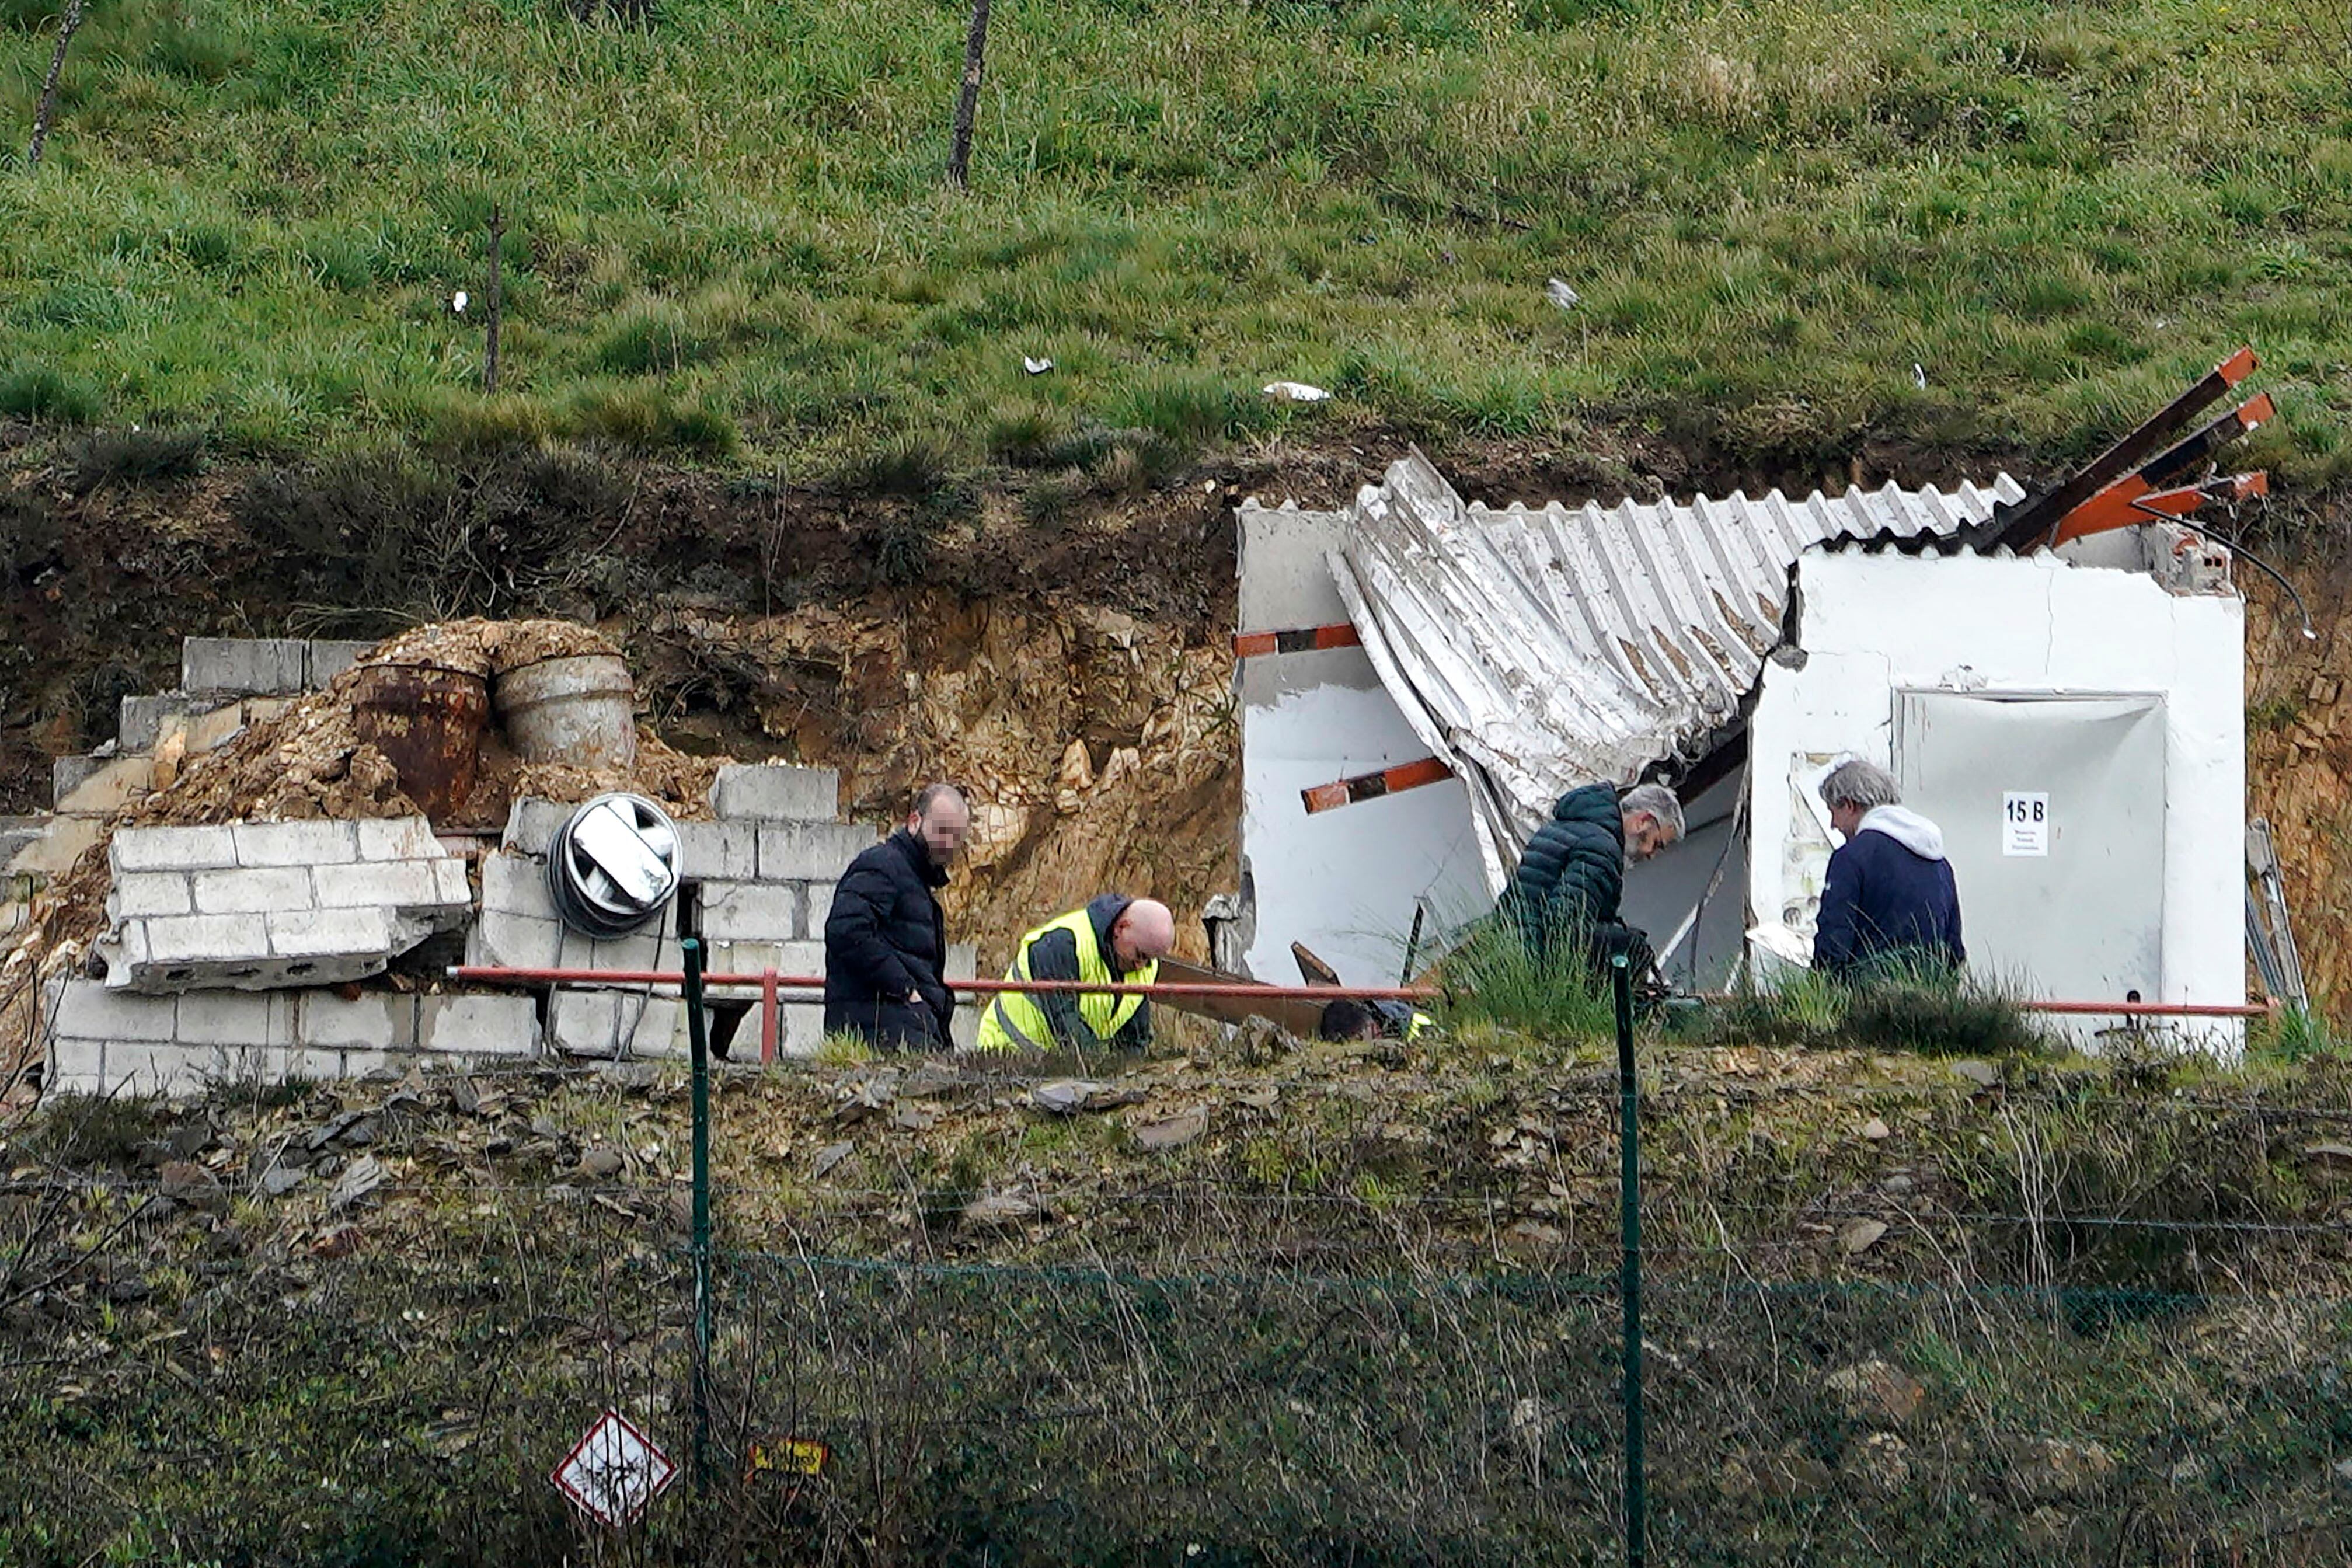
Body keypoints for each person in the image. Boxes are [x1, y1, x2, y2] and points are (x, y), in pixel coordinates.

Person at [823, 783, 969, 1050]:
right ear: (915, 821)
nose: (948, 843)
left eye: (957, 836)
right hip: (882, 1033)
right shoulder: (884, 865)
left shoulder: (912, 878)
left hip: (902, 1029)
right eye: (942, 830)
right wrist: (905, 990)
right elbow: (846, 930)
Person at [1495, 780, 1684, 975]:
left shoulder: (1565, 827)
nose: (1651, 854)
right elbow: (1564, 925)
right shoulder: (1602, 848)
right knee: (1633, 948)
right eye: (1656, 844)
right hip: (1533, 963)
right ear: (1643, 821)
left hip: (1507, 952)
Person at [1812, 759, 1964, 980]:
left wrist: (1820, 991)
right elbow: (1954, 951)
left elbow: (1834, 941)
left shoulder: (1851, 858)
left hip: (1866, 1003)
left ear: (1850, 805)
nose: (1833, 825)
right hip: (1929, 1002)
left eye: (1833, 812)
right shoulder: (1940, 864)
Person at [972, 895, 1176, 1053]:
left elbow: (1134, 1040)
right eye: (1139, 955)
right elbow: (1067, 1027)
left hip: (1057, 1070)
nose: (1141, 966)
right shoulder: (1062, 944)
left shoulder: (1143, 967)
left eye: (1149, 959)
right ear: (1121, 928)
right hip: (1008, 1056)